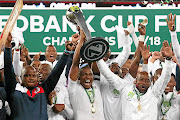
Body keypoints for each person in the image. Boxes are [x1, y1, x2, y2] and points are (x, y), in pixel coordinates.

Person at [97, 40, 173, 120]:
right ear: (135, 81)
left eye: (147, 81)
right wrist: (98, 58)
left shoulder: (154, 92)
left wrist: (168, 59)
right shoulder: (125, 88)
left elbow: (165, 77)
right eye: (141, 80)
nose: (144, 82)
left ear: (150, 83)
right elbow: (107, 74)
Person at [4, 32, 69, 120]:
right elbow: (8, 69)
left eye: (33, 75)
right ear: (21, 78)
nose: (31, 78)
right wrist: (8, 47)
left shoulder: (43, 90)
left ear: (37, 78)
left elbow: (56, 73)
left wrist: (67, 53)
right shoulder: (14, 89)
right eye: (27, 75)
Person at [68, 29, 104, 120]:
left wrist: (88, 40)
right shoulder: (74, 88)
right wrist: (81, 40)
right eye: (84, 74)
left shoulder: (97, 85)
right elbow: (75, 63)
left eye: (90, 74)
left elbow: (91, 60)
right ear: (79, 78)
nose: (88, 77)